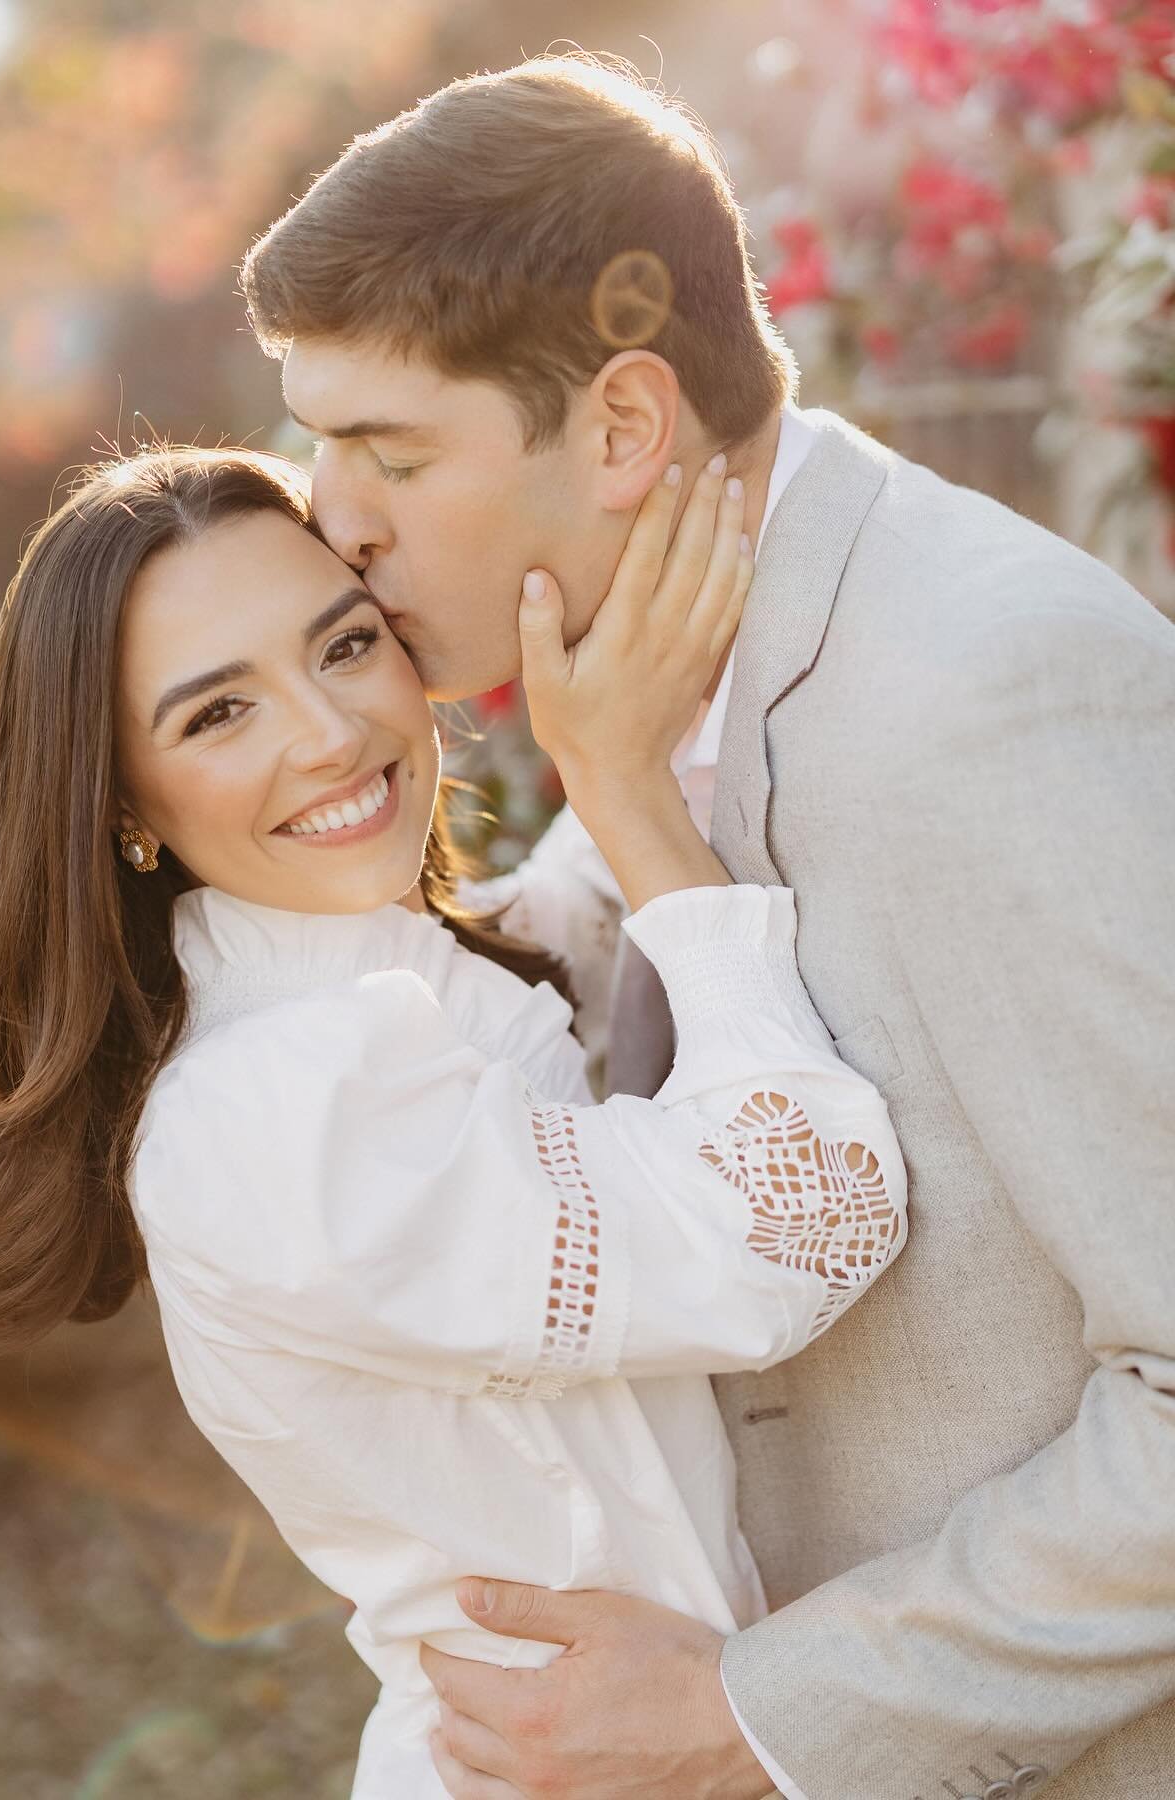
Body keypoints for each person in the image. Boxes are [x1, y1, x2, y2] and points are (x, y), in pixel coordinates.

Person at [237, 50, 1175, 1800]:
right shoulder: (648, 679)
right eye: (314, 441)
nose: (330, 520)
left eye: (386, 450)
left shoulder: (987, 706)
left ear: (621, 428)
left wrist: (761, 1715)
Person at [0, 442, 907, 1798]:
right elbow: (804, 1221)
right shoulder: (277, 1110)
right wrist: (633, 796)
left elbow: (560, 942)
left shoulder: (364, 971)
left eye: (345, 646)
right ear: (122, 802)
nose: (330, 732)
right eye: (217, 715)